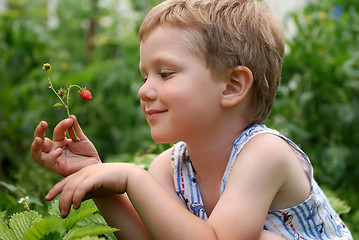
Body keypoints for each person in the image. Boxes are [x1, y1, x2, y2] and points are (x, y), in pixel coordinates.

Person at [31, 0, 353, 239]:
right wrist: (99, 182)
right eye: (145, 76)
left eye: (165, 73)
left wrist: (134, 178)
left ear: (232, 86)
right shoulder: (169, 170)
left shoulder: (264, 154)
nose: (144, 90)